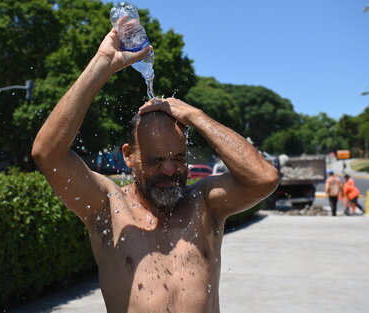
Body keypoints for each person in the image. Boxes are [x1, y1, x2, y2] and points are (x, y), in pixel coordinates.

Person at [32, 29, 279, 313]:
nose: (170, 169)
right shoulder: (108, 207)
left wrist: (196, 116)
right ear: (129, 156)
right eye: (155, 160)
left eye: (178, 157)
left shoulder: (204, 203)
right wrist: (102, 63)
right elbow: (48, 154)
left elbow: (264, 178)